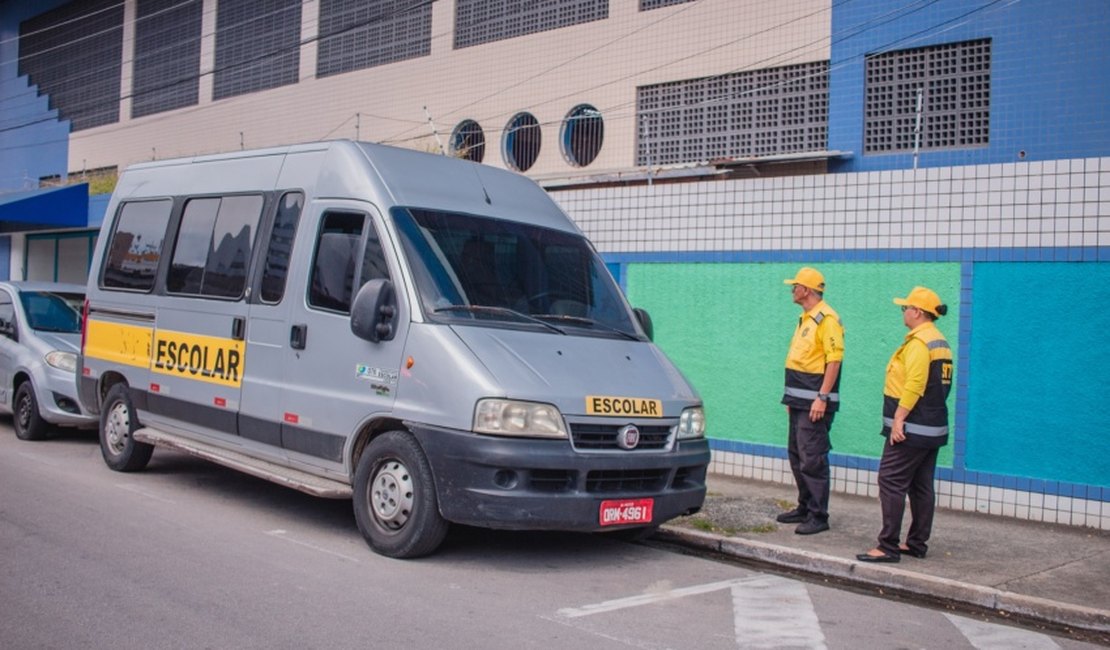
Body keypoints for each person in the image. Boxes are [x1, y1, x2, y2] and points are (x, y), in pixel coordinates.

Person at [857, 286, 953, 563]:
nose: (904, 312)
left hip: (911, 428)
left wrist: (899, 419)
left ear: (917, 312)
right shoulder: (939, 341)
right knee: (921, 486)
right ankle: (916, 544)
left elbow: (915, 384)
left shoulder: (919, 343)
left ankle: (887, 545)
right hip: (932, 427)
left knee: (890, 480)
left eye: (905, 308)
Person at [776, 267, 844, 535]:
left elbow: (834, 359)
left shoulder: (827, 319)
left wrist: (822, 398)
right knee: (797, 456)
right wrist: (792, 399)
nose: (792, 290)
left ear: (806, 289)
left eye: (795, 286)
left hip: (815, 404)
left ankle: (818, 515)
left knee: (812, 459)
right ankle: (804, 506)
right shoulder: (805, 318)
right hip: (799, 401)